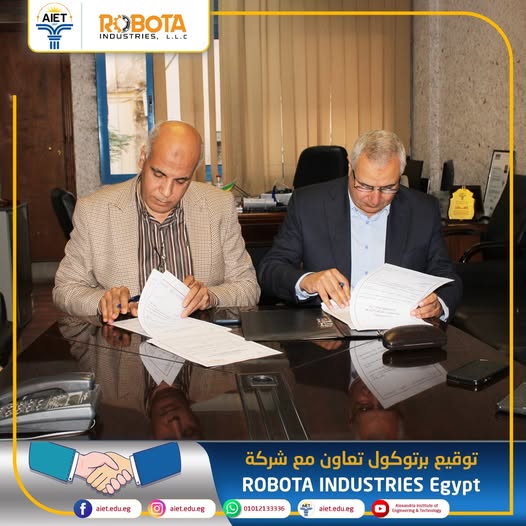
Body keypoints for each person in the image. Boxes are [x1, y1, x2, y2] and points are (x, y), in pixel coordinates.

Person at [53, 120, 260, 322]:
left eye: (181, 180)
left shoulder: (219, 206)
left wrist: (210, 297)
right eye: (159, 174)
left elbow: (248, 287)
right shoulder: (93, 211)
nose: (166, 192)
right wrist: (102, 301)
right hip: (125, 340)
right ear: (143, 157)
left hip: (198, 339)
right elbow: (66, 289)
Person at [258, 130, 462, 321]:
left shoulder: (422, 210)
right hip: (326, 327)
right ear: (350, 167)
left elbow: (446, 275)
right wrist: (307, 280)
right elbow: (271, 269)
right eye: (364, 186)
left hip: (398, 328)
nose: (375, 199)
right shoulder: (309, 204)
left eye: (388, 188)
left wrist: (438, 304)